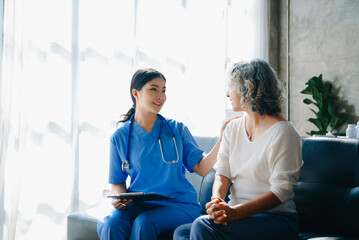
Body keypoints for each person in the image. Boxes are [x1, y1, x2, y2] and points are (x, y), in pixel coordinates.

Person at [173, 59, 303, 240]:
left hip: (276, 218)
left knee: (201, 227)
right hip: (237, 217)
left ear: (249, 89)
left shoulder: (283, 132)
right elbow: (223, 174)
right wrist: (217, 203)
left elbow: (280, 192)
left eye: (231, 87)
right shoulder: (232, 128)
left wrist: (234, 213)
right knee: (182, 232)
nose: (227, 94)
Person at [97, 68, 229, 240]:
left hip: (178, 204)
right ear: (135, 93)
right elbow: (117, 182)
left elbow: (202, 169)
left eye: (164, 90)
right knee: (112, 224)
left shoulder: (177, 130)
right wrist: (120, 200)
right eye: (154, 89)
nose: (161, 96)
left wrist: (222, 140)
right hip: (140, 204)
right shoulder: (120, 137)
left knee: (144, 223)